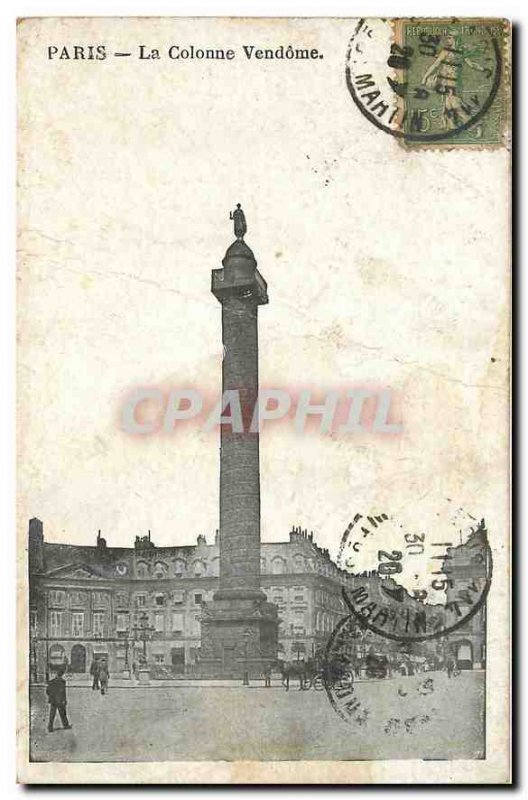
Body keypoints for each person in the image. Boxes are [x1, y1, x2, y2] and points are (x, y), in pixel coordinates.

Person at [46, 666, 72, 732]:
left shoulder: (51, 681)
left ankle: (50, 727)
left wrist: (51, 696)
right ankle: (65, 725)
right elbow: (63, 692)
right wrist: (64, 700)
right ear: (62, 674)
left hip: (53, 700)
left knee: (52, 714)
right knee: (63, 714)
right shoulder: (63, 682)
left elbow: (47, 691)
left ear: (56, 674)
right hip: (60, 700)